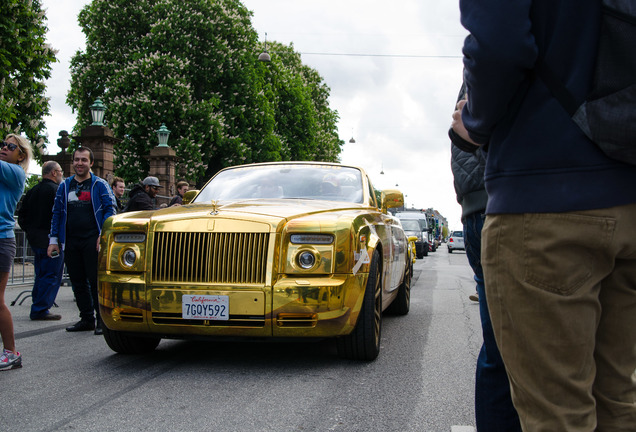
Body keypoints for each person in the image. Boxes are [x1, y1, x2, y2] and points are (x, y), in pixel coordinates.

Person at [455, 1, 636, 429]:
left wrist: (475, 122)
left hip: (544, 202)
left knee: (557, 416)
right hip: (628, 196)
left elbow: (500, 44)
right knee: (619, 403)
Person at [450, 83, 521, 431]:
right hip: (509, 200)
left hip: (481, 205)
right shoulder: (536, 33)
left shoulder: (478, 69)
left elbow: (463, 128)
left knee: (499, 347)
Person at [48, 147, 116, 335]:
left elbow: (110, 210)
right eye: (76, 160)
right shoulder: (64, 185)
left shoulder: (99, 184)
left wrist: (103, 235)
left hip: (92, 240)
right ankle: (86, 318)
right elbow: (56, 213)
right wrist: (54, 240)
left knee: (95, 280)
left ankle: (102, 319)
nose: (79, 163)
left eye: (84, 160)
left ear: (91, 163)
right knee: (77, 281)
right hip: (70, 240)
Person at [0, 134, 32, 371]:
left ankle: (11, 353)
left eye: (10, 146)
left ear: (20, 155)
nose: (4, 148)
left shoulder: (16, 172)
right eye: (3, 144)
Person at [17, 161, 65, 321]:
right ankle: (40, 307)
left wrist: (30, 231)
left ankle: (38, 303)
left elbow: (22, 215)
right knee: (51, 274)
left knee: (41, 273)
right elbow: (62, 216)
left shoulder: (32, 191)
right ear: (53, 173)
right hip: (51, 240)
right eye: (60, 171)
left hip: (35, 239)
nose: (61, 174)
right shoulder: (57, 191)